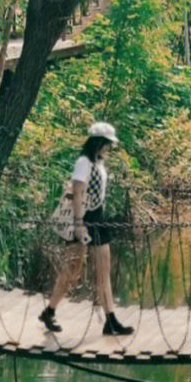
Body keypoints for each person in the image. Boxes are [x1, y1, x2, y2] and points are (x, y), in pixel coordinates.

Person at [39, 122, 134, 337]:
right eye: (107, 144)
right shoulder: (83, 163)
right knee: (72, 271)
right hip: (83, 219)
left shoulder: (98, 163)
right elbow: (78, 192)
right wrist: (79, 225)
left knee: (103, 271)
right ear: (98, 143)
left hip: (98, 217)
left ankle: (111, 320)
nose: (109, 148)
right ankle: (49, 311)